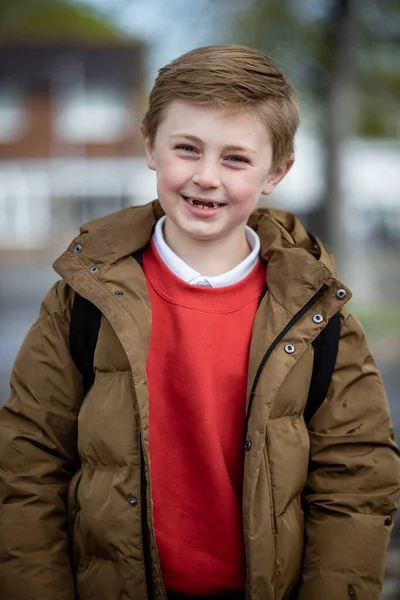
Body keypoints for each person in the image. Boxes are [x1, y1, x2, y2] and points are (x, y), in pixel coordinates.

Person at [0, 45, 399, 600]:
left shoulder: (318, 314)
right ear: (150, 147)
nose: (206, 177)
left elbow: (358, 479)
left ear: (276, 172)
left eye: (235, 159)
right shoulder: (80, 302)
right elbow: (26, 467)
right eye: (187, 149)